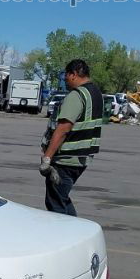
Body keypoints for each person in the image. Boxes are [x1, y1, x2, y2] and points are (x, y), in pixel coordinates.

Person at [39, 59, 105, 215]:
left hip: (66, 159)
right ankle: (76, 228)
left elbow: (63, 129)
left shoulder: (77, 95)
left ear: (74, 74)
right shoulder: (96, 94)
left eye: (66, 77)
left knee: (55, 204)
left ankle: (66, 235)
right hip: (81, 158)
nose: (65, 81)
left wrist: (47, 157)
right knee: (62, 198)